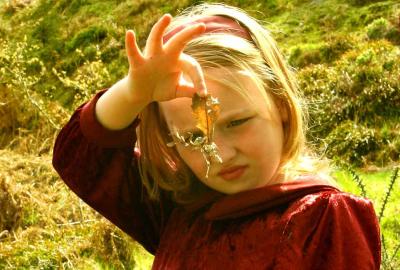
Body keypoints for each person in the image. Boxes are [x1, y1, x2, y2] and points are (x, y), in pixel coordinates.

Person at [52, 3, 381, 269]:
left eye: (236, 123)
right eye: (193, 139)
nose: (219, 154)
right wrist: (133, 94)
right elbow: (82, 156)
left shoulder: (321, 218)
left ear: (280, 103)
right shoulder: (180, 209)